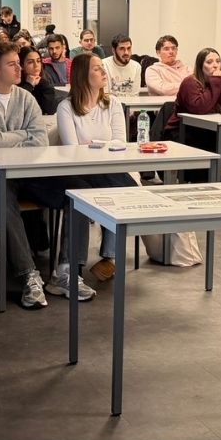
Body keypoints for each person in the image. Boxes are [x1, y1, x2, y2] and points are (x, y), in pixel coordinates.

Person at [0, 42, 91, 308]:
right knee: (1, 198)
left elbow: (40, 141)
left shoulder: (26, 98)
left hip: (30, 171)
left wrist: (10, 139)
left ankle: (67, 271)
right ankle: (28, 275)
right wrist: (23, 135)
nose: (19, 68)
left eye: (18, 63)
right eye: (12, 64)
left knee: (78, 192)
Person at [55, 52, 137, 285]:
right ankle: (94, 261)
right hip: (77, 170)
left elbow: (121, 142)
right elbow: (72, 149)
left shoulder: (112, 104)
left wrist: (94, 146)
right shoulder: (66, 107)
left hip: (107, 168)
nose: (104, 72)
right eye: (97, 69)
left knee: (124, 188)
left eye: (103, 68)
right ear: (83, 75)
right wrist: (104, 146)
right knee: (120, 187)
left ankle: (108, 257)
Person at [164, 48, 221, 181]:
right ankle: (220, 170)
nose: (215, 65)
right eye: (209, 62)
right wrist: (216, 82)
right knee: (207, 149)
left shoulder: (220, 80)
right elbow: (200, 108)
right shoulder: (190, 82)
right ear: (201, 66)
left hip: (209, 129)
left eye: (218, 61)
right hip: (184, 130)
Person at [18, 46, 57, 115]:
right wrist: (29, 85)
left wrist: (43, 83)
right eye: (30, 62)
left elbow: (50, 110)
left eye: (38, 61)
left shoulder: (44, 82)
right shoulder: (15, 84)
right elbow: (17, 108)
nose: (36, 65)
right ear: (22, 65)